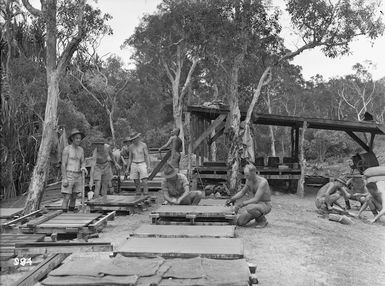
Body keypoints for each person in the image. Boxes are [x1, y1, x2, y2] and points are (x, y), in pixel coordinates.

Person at [61, 128, 88, 211]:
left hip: (78, 175)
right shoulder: (67, 149)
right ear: (72, 138)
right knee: (67, 196)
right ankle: (64, 215)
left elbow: (83, 161)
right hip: (69, 174)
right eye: (76, 138)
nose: (78, 140)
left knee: (74, 196)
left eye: (79, 138)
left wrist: (83, 167)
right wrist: (64, 178)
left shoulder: (81, 150)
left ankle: (71, 213)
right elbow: (63, 164)